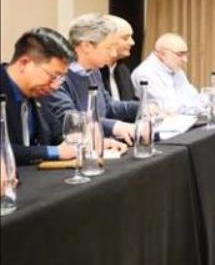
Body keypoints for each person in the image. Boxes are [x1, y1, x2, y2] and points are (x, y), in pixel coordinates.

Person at [1, 27, 126, 165]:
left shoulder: (38, 91)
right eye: (53, 76)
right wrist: (55, 152)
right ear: (24, 63)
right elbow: (4, 149)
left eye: (60, 78)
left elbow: (56, 132)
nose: (55, 86)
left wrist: (87, 142)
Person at [42, 13, 139, 146]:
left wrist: (143, 106)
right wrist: (116, 126)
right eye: (108, 47)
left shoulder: (94, 71)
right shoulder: (56, 76)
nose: (113, 53)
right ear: (86, 46)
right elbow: (72, 120)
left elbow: (108, 107)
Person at [131, 33, 215, 114]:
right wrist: (211, 106)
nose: (185, 60)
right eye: (180, 55)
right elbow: (171, 109)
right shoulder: (145, 73)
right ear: (162, 54)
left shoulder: (174, 68)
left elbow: (192, 97)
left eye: (186, 54)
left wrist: (212, 101)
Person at [100, 15, 137, 101]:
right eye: (125, 38)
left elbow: (129, 101)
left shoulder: (123, 69)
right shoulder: (93, 71)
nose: (132, 42)